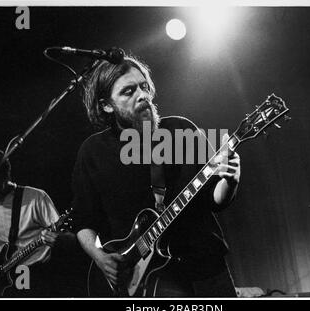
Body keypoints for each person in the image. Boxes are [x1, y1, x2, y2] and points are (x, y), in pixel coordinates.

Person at [72, 51, 241, 297]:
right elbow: (83, 220)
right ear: (106, 105)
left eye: (143, 87)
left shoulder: (181, 130)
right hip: (144, 280)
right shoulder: (93, 152)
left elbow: (215, 200)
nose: (142, 95)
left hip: (204, 267)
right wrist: (100, 258)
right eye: (128, 91)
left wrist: (231, 178)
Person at [0, 146, 72, 297]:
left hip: (37, 277)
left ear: (4, 176)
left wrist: (60, 239)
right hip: (2, 281)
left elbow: (70, 239)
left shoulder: (36, 198)